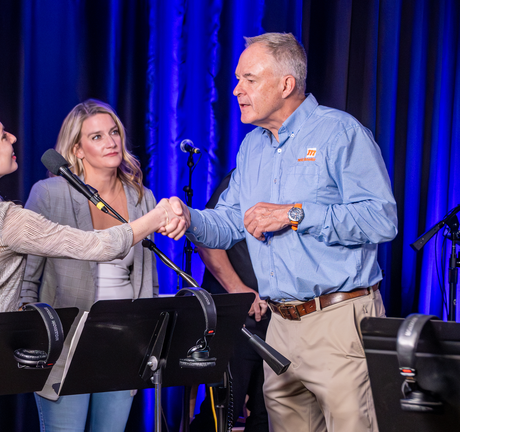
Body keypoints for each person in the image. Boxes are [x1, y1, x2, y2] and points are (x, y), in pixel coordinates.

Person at [0, 106, 183, 432]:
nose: (13, 138)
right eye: (2, 136)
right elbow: (98, 246)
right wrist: (158, 216)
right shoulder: (4, 220)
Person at [164, 33, 398, 432]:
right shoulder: (252, 148)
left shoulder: (340, 133)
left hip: (338, 322)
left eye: (249, 79)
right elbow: (229, 223)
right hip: (280, 327)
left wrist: (294, 214)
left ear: (287, 84)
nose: (237, 90)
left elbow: (381, 219)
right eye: (237, 79)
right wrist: (189, 217)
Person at [20, 99, 159, 432]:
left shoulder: (142, 198)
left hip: (123, 343)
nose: (111, 142)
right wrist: (34, 340)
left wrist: (146, 341)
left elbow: (148, 281)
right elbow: (27, 279)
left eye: (114, 132)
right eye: (97, 137)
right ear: (77, 150)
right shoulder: (49, 194)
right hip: (65, 346)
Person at [190, 170, 269, 432]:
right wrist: (238, 289)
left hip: (277, 321)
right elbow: (206, 237)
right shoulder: (243, 178)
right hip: (236, 320)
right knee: (223, 412)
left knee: (267, 414)